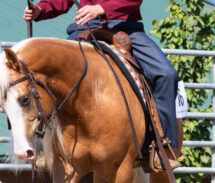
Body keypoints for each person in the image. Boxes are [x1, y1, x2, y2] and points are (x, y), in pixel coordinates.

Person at [24, 0, 180, 169]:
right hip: (85, 28)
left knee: (166, 74)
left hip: (125, 27)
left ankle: (161, 146)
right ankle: (51, 147)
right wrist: (40, 10)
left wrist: (101, 8)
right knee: (56, 76)